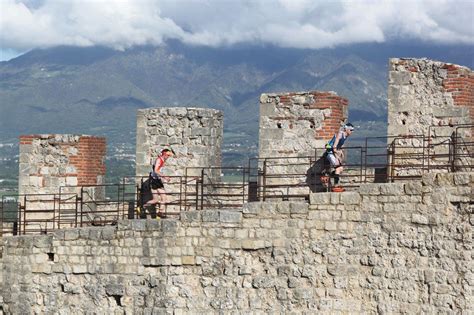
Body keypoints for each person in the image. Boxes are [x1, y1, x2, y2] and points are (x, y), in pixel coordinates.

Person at [144, 148, 175, 218]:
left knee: (162, 198)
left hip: (157, 180)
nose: (168, 157)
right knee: (157, 200)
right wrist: (165, 177)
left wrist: (162, 178)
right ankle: (143, 207)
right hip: (154, 181)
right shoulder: (159, 160)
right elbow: (156, 170)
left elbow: (158, 171)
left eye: (168, 156)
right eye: (167, 155)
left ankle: (159, 213)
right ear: (164, 154)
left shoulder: (162, 160)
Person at [325, 123, 355, 189]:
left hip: (334, 152)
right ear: (346, 129)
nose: (352, 131)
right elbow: (334, 147)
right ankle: (336, 185)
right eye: (351, 130)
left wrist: (341, 152)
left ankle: (328, 175)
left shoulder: (345, 136)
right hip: (330, 152)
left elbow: (339, 146)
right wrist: (337, 156)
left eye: (353, 130)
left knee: (340, 168)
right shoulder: (340, 134)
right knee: (338, 168)